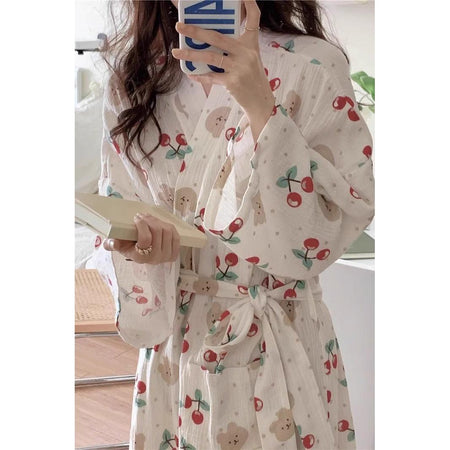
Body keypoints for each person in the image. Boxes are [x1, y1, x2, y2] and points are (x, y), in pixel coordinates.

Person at [87, 1, 375, 449]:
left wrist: (261, 105)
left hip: (281, 346)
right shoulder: (135, 81)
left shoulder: (313, 65)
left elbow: (327, 229)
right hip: (179, 355)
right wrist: (143, 253)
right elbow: (119, 216)